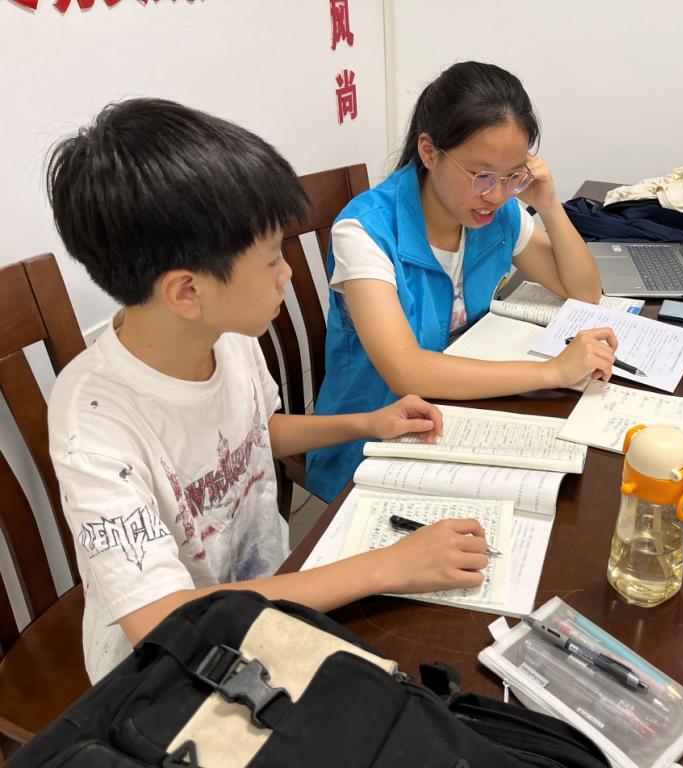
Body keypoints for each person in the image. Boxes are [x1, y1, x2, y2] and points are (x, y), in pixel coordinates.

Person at [46, 98, 492, 682]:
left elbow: (257, 430)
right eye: (271, 258)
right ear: (187, 292)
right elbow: (161, 622)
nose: (288, 272)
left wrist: (368, 423)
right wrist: (386, 567)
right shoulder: (93, 421)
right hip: (168, 674)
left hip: (272, 600)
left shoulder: (225, 334)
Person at [308, 61, 616, 501]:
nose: (496, 194)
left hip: (457, 415)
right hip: (372, 442)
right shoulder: (365, 231)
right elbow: (406, 371)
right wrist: (553, 371)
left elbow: (584, 291)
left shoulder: (495, 212)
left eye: (512, 176)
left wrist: (549, 205)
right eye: (481, 175)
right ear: (429, 152)